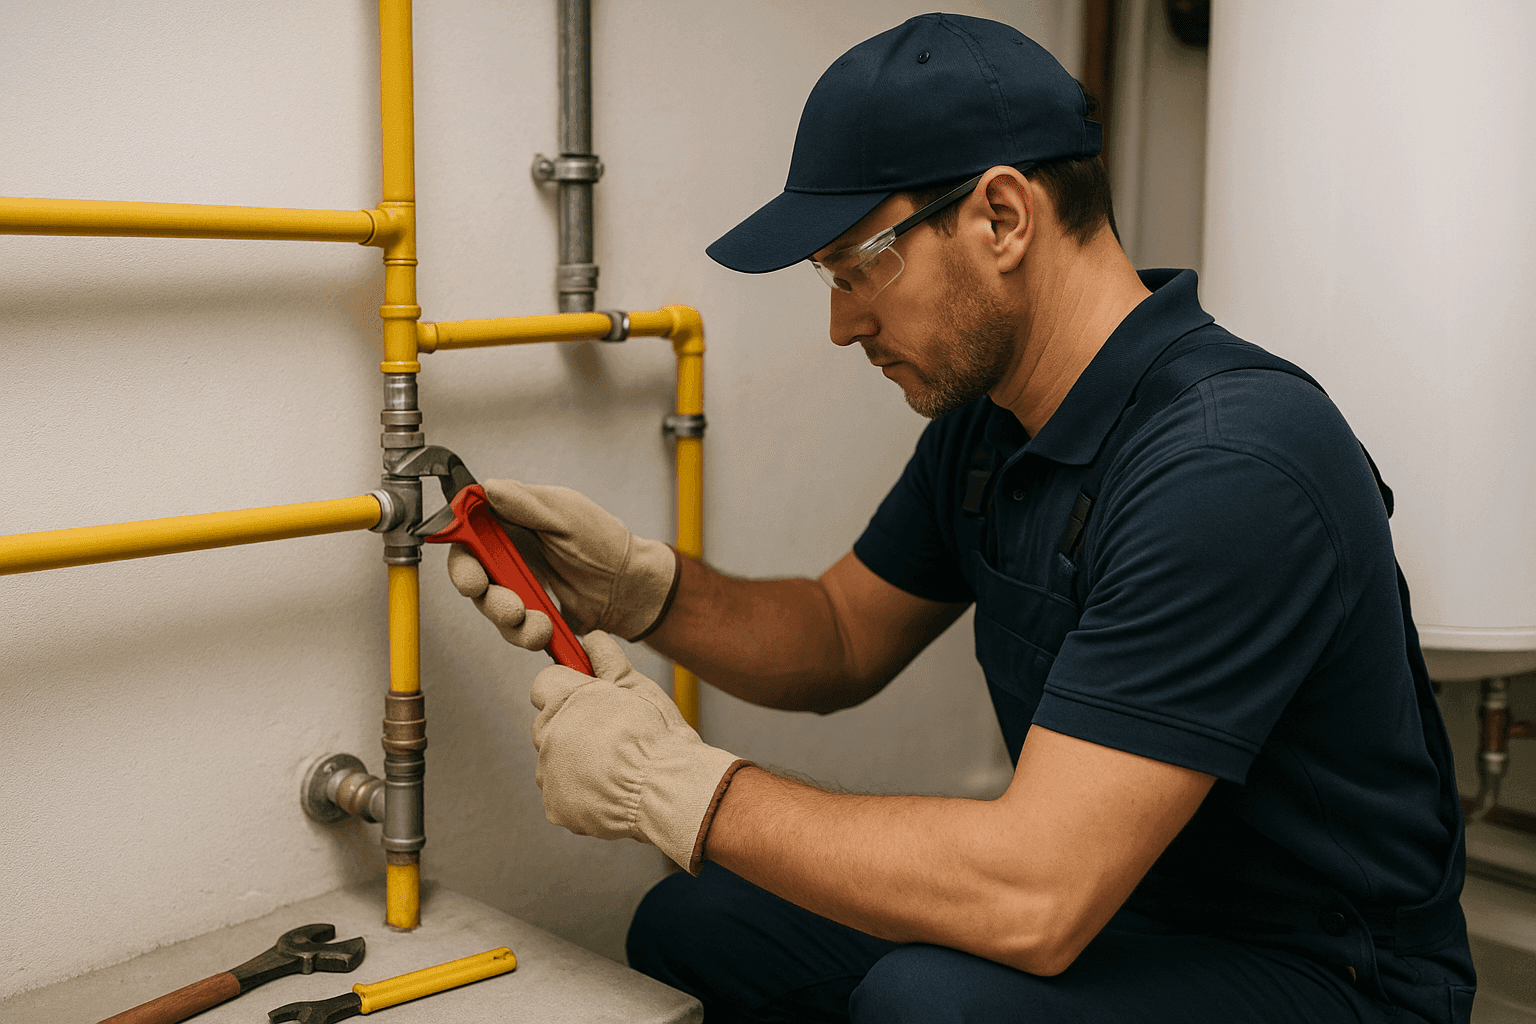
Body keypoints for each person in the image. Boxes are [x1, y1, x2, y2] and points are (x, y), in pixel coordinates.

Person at [445, 14, 1475, 1024]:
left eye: (859, 265)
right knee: (700, 919)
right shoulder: (994, 425)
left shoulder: (1229, 464)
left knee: (929, 1002)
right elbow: (840, 634)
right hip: (1121, 907)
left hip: (1322, 970)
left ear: (1002, 217)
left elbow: (1036, 893)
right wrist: (641, 588)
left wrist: (672, 785)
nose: (843, 322)